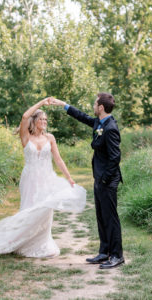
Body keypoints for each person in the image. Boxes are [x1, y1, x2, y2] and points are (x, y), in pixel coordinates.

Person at [0, 98, 86, 258]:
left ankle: (42, 243)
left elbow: (58, 159)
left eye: (46, 119)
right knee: (29, 210)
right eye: (41, 119)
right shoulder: (26, 137)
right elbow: (24, 117)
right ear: (35, 121)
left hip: (46, 179)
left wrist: (69, 178)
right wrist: (42, 102)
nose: (44, 121)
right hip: (30, 179)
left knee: (44, 211)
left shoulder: (50, 138)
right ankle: (20, 242)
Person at [50, 93, 124, 269]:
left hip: (108, 180)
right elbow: (82, 117)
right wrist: (64, 104)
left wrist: (105, 179)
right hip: (99, 178)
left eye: (95, 103)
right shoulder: (100, 123)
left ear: (101, 107)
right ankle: (104, 252)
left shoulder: (111, 128)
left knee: (111, 218)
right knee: (101, 216)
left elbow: (115, 158)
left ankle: (116, 256)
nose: (93, 105)